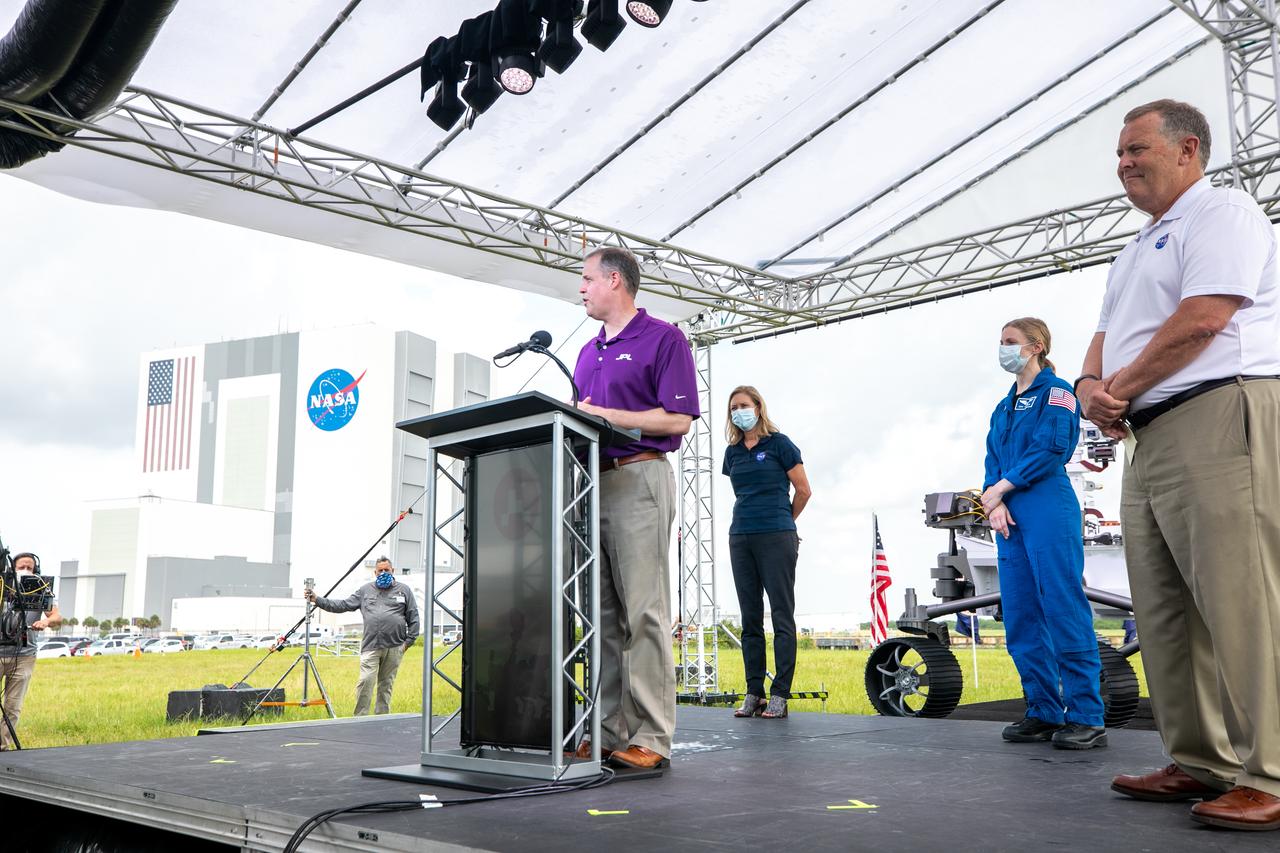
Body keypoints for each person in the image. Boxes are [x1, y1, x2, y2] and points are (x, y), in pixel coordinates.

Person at [1079, 99, 1280, 830]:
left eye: (1138, 149)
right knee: (1164, 609)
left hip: (1219, 411)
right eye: (1121, 154)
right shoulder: (1134, 248)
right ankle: (1201, 758)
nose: (1125, 163)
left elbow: (1205, 316)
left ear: (1188, 149)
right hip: (1148, 432)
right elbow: (1102, 340)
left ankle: (1272, 771)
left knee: (1243, 600)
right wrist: (1086, 391)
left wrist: (1116, 390)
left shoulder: (1221, 212)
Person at [572, 246, 698, 770]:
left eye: (586, 279)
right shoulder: (583, 353)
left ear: (616, 281)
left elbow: (679, 420)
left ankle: (651, 736)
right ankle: (606, 731)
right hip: (589, 485)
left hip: (639, 476)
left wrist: (606, 414)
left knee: (643, 612)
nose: (580, 288)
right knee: (602, 617)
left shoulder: (664, 338)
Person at [980, 318, 1106, 750]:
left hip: (1045, 503)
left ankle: (1087, 715)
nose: (1003, 349)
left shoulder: (1058, 394)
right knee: (1020, 614)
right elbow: (992, 456)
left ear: (1036, 347)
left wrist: (1000, 489)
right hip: (1008, 512)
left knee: (1062, 607)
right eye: (1001, 343)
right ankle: (1043, 709)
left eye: (1010, 342)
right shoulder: (1003, 407)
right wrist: (992, 499)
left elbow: (1052, 449)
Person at [721, 386, 811, 720]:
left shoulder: (781, 444)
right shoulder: (732, 453)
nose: (738, 412)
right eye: (733, 408)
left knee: (782, 615)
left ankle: (780, 694)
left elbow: (803, 490)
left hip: (776, 535)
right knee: (749, 619)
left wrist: (784, 520)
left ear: (759, 407)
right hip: (741, 536)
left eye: (743, 405)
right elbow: (741, 491)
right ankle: (753, 691)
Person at [307, 557, 418, 716]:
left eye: (387, 570)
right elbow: (343, 605)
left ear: (393, 571)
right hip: (371, 646)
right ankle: (360, 718)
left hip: (395, 646)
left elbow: (413, 617)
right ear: (375, 572)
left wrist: (408, 642)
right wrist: (317, 600)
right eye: (380, 570)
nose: (384, 573)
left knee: (386, 685)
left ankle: (382, 718)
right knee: (366, 682)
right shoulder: (365, 590)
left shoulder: (404, 590)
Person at [1, 552, 61, 750]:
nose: (26, 570)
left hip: (25, 656)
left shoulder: (41, 589)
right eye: (21, 566)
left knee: (13, 706)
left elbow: (57, 616)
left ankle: (2, 746)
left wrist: (46, 621)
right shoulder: (3, 586)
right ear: (12, 568)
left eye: (30, 567)